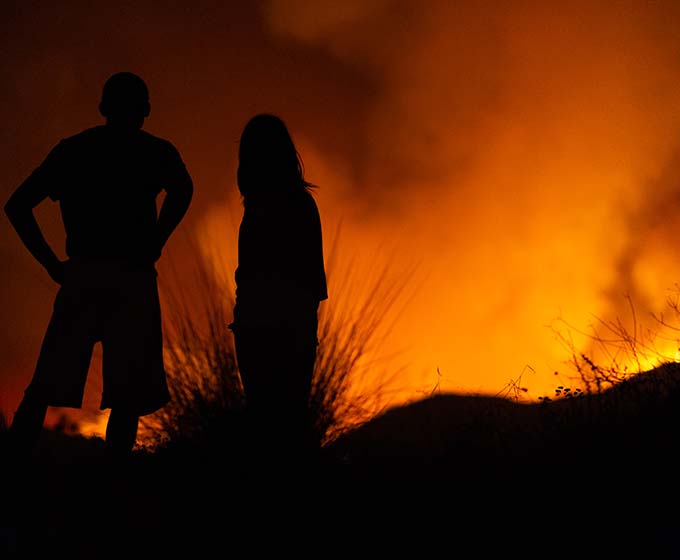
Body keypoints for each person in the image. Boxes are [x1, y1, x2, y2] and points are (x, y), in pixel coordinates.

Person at [4, 71, 194, 459]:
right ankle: (113, 480)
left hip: (84, 277)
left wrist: (52, 265)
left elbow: (18, 205)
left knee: (46, 382)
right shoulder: (155, 152)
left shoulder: (75, 150)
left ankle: (13, 470)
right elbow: (183, 190)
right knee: (127, 393)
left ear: (103, 107)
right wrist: (155, 241)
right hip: (130, 279)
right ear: (145, 110)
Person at [230, 113, 328, 470]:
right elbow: (314, 284)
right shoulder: (301, 205)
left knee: (261, 414)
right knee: (291, 416)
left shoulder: (256, 210)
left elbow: (249, 276)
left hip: (259, 325)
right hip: (292, 326)